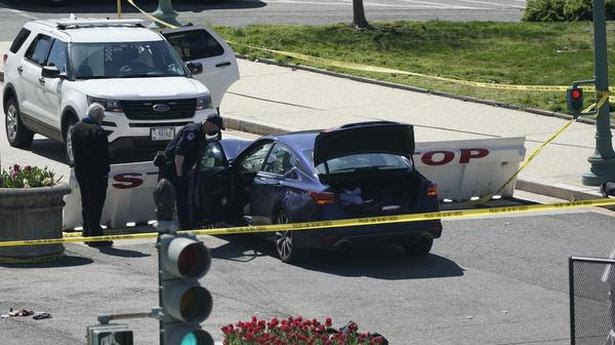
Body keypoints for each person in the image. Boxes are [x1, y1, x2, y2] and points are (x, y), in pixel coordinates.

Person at [158, 114, 225, 229]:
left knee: (182, 204)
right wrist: (179, 176)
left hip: (179, 172)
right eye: (216, 128)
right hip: (171, 172)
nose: (215, 131)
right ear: (210, 124)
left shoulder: (200, 133)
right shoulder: (192, 132)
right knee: (167, 205)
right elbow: (179, 155)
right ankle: (163, 237)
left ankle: (185, 230)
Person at [71, 103, 112, 247]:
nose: (103, 119)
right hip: (96, 174)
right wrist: (105, 173)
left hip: (81, 172)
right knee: (96, 204)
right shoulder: (97, 132)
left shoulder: (76, 128)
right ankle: (95, 235)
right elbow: (103, 156)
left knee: (86, 201)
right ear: (98, 116)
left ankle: (86, 230)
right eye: (102, 116)